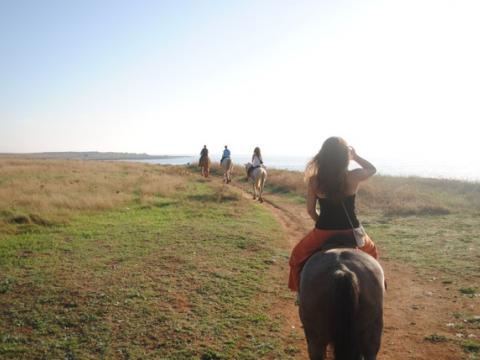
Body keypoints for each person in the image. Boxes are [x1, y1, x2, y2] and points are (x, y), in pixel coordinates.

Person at [288, 137, 379, 292]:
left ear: (323, 155)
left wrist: (322, 224)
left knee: (296, 257)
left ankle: (299, 292)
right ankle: (377, 288)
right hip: (352, 231)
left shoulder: (314, 180)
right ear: (344, 157)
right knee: (372, 253)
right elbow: (372, 169)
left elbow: (310, 210)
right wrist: (355, 156)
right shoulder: (353, 176)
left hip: (323, 231)